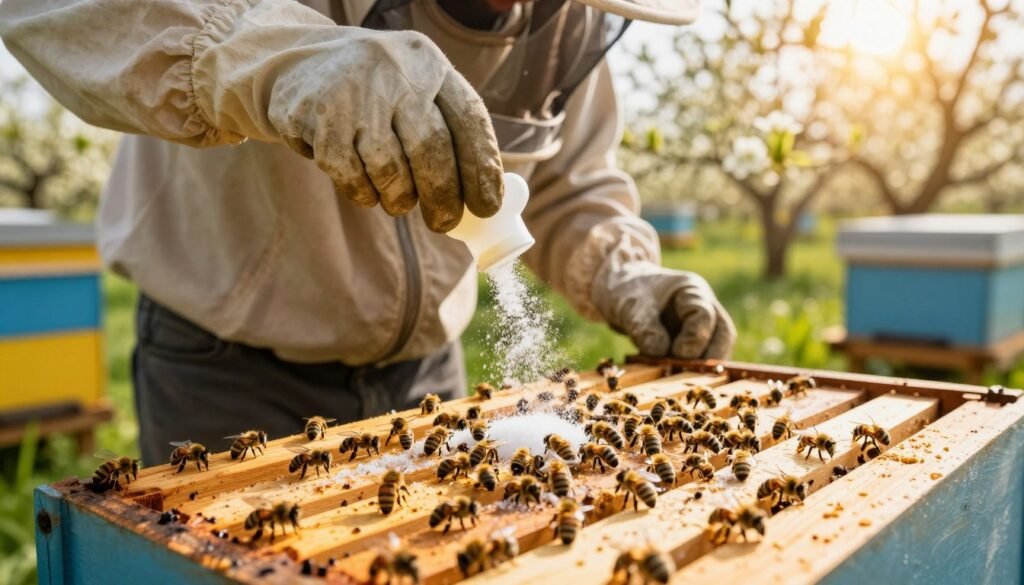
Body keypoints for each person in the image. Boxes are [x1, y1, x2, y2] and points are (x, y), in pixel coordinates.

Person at [0, 0, 735, 466]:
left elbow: (570, 182)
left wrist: (624, 271)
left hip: (427, 368)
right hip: (230, 367)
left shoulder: (567, 21)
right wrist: (270, 58)